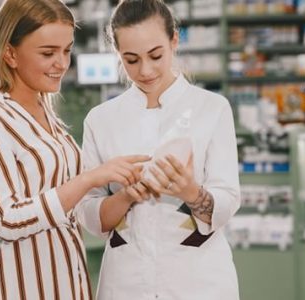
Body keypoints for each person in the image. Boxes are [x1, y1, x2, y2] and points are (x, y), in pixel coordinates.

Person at [0, 0, 149, 299]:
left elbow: (65, 202)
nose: (62, 63)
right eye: (48, 53)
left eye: (66, 50)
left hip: (63, 280)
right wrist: (88, 179)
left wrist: (126, 192)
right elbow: (6, 219)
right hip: (17, 286)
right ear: (10, 53)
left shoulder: (43, 110)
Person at [76, 0, 241, 299]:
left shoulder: (212, 109)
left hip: (198, 281)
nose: (145, 70)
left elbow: (228, 199)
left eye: (155, 55)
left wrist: (189, 191)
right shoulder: (100, 120)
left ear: (174, 40)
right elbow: (88, 214)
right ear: (117, 54)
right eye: (131, 59)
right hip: (127, 283)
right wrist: (127, 195)